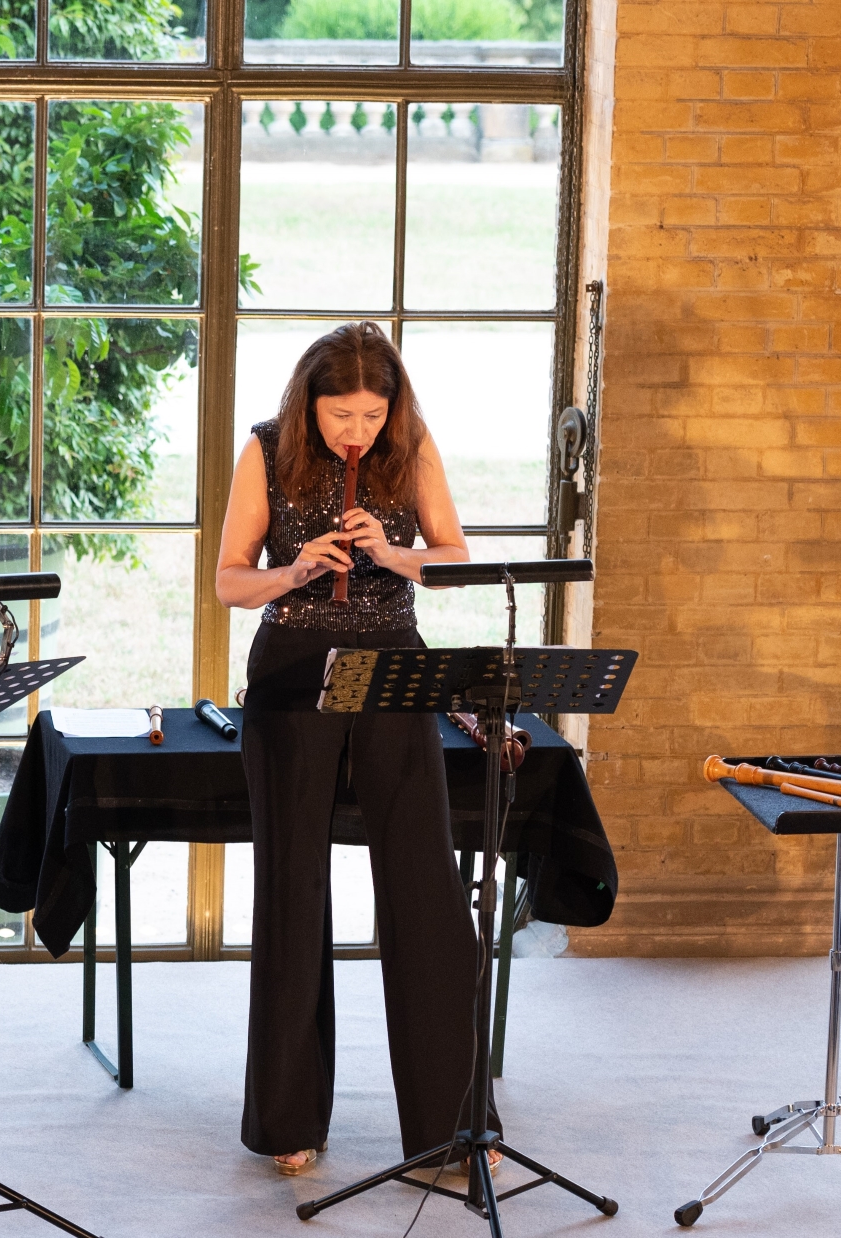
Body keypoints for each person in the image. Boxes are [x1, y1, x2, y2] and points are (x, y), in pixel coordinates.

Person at [214, 320, 496, 1182]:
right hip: (294, 671)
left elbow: (454, 559)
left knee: (424, 885)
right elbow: (229, 580)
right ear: (311, 402)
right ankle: (289, 1120)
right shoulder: (266, 451)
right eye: (342, 414)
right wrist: (297, 570)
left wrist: (395, 554)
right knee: (292, 888)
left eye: (372, 414)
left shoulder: (409, 448)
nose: (357, 433)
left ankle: (448, 1122)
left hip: (394, 669)